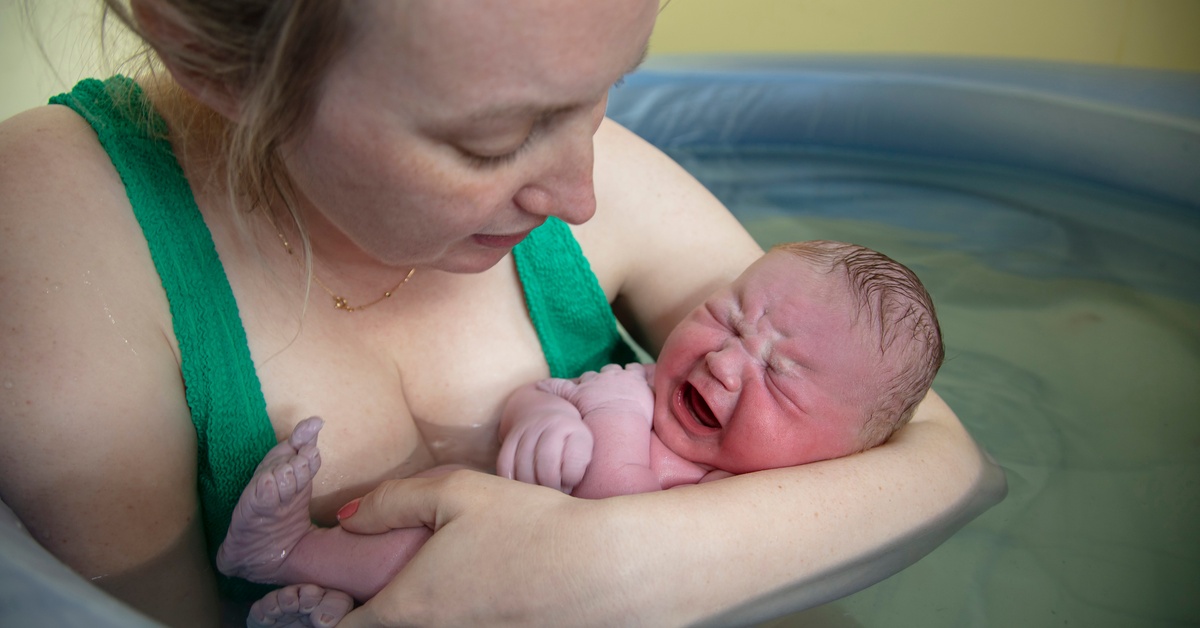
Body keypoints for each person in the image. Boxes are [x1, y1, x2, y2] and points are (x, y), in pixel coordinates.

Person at [0, 0, 1000, 626]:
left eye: (607, 92)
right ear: (213, 57)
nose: (582, 193)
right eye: (495, 140)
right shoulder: (58, 236)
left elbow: (944, 460)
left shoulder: (605, 190)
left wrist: (610, 568)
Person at [216, 240, 945, 627]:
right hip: (474, 548)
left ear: (844, 455)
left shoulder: (760, 504)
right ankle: (290, 552)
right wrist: (539, 414)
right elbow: (552, 389)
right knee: (426, 513)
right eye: (726, 317)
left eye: (780, 375)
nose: (725, 361)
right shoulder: (631, 385)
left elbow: (625, 521)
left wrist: (614, 425)